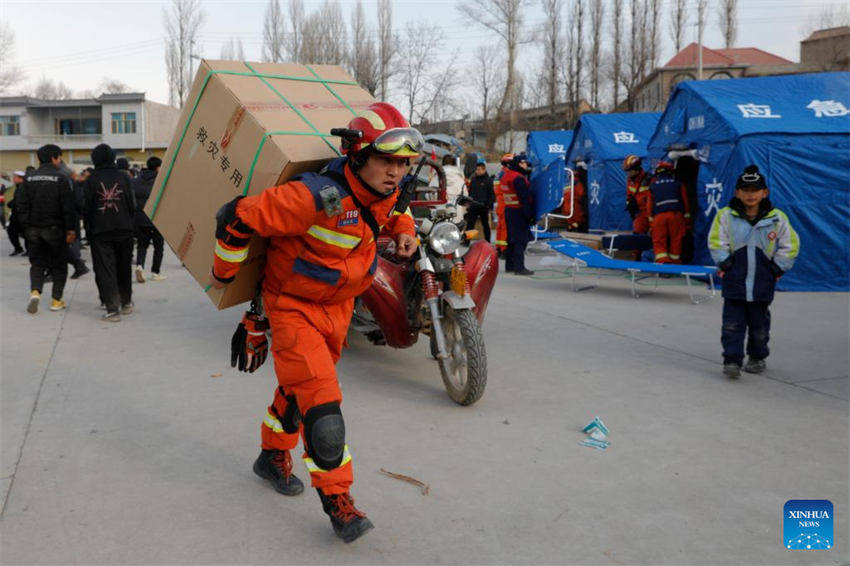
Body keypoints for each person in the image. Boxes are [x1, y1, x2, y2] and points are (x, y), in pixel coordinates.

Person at [210, 101, 418, 544]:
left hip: (338, 309)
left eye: (403, 163)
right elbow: (237, 217)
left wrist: (406, 232)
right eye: (386, 161)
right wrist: (225, 278)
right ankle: (339, 502)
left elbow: (396, 208)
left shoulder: (383, 191)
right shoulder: (311, 198)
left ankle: (271, 456)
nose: (396, 173)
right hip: (295, 308)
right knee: (324, 412)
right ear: (357, 156)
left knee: (297, 389)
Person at [708, 164, 799, 378]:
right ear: (737, 192)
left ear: (764, 192)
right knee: (731, 324)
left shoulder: (777, 218)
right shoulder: (725, 216)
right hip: (734, 282)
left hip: (761, 283)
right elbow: (715, 241)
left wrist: (777, 267)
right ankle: (732, 360)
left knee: (759, 327)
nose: (751, 195)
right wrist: (726, 263)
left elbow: (791, 245)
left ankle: (757, 357)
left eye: (756, 190)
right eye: (746, 190)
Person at [14, 144, 77, 313]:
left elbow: (21, 205)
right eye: (59, 158)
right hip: (56, 230)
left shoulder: (28, 178)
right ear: (54, 158)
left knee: (37, 264)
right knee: (59, 265)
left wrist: (26, 226)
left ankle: (35, 291)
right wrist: (71, 229)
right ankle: (56, 300)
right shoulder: (61, 178)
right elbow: (67, 207)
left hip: (33, 229)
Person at [84, 144, 136, 322]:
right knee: (124, 266)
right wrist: (131, 224)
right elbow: (131, 204)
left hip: (101, 231)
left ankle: (112, 309)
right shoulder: (124, 177)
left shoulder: (91, 180)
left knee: (105, 269)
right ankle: (127, 301)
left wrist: (89, 230)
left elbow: (87, 208)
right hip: (124, 228)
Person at [647, 161, 690, 264]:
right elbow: (685, 203)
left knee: (659, 241)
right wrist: (687, 222)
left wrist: (651, 222)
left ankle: (663, 265)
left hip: (659, 217)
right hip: (676, 215)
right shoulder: (678, 184)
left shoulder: (653, 186)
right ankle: (674, 265)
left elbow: (649, 206)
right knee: (676, 241)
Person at [133, 156, 166, 282]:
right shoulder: (160, 180)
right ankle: (155, 272)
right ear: (158, 167)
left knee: (142, 245)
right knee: (158, 246)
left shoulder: (136, 180)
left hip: (140, 217)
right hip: (156, 217)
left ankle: (140, 266)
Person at [500, 153, 535, 275]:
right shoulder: (518, 179)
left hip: (509, 210)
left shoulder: (506, 176)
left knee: (511, 239)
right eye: (524, 163)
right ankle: (519, 267)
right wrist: (530, 216)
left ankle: (510, 265)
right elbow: (524, 199)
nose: (526, 165)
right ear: (519, 164)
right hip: (519, 211)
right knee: (520, 240)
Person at [64, 166, 90, 279]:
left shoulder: (68, 184)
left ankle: (78, 262)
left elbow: (79, 200)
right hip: (73, 215)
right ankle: (78, 262)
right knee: (74, 238)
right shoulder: (73, 184)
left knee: (72, 239)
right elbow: (79, 200)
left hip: (68, 215)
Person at [464, 160, 495, 243]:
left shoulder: (488, 180)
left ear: (484, 170)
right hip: (473, 206)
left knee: (485, 225)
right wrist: (468, 204)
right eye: (476, 169)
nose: (477, 171)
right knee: (470, 224)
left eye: (479, 169)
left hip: (483, 206)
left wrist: (489, 205)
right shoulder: (473, 180)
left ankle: (488, 241)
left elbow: (491, 194)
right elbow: (470, 192)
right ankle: (467, 241)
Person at [623, 155, 651, 235]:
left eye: (629, 170)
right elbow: (629, 195)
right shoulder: (630, 181)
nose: (628, 173)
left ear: (636, 169)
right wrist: (630, 206)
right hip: (640, 214)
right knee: (637, 233)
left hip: (651, 213)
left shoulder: (649, 180)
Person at [493, 153, 512, 256]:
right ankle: (504, 249)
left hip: (500, 203)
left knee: (500, 227)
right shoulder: (507, 174)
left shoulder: (500, 173)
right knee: (505, 228)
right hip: (506, 203)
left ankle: (499, 247)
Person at [5, 170, 27, 256]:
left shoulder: (23, 187)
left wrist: (11, 204)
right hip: (16, 214)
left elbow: (20, 201)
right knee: (12, 231)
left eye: (15, 178)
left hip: (21, 214)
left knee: (25, 233)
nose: (14, 179)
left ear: (21, 178)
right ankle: (18, 248)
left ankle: (27, 250)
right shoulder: (18, 187)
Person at [562, 162, 588, 232]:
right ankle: (575, 227)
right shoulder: (576, 181)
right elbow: (582, 193)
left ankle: (572, 226)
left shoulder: (564, 181)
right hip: (574, 207)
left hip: (568, 207)